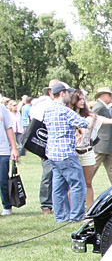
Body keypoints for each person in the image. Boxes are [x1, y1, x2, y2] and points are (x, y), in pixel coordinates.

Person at [43, 82, 90, 222]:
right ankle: (77, 216)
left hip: (52, 153)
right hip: (66, 152)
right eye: (68, 93)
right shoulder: (65, 110)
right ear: (62, 93)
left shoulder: (48, 109)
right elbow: (83, 123)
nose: (70, 95)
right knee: (78, 184)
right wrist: (91, 118)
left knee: (58, 187)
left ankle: (61, 217)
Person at [30, 80, 62, 213]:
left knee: (59, 175)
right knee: (48, 174)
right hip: (47, 143)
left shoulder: (59, 105)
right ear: (50, 92)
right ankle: (46, 204)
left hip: (58, 144)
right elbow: (36, 128)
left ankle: (57, 203)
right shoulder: (43, 105)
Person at [92, 87, 112, 187]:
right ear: (103, 96)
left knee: (111, 167)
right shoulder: (98, 107)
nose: (111, 97)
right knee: (92, 169)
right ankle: (83, 188)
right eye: (110, 95)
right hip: (101, 144)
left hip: (106, 144)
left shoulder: (103, 107)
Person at [0, 100, 20, 215]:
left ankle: (7, 206)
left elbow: (9, 128)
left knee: (3, 180)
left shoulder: (2, 108)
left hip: (2, 150)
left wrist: (14, 148)